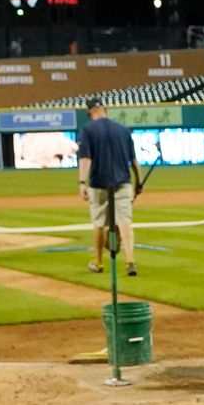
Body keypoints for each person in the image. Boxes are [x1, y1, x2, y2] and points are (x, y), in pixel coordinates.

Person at [76, 99, 139, 276]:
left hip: (98, 183)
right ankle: (130, 261)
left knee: (99, 223)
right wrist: (139, 183)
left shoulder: (87, 130)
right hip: (123, 181)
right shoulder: (123, 129)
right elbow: (134, 161)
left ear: (90, 113)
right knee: (125, 220)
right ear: (105, 109)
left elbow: (85, 159)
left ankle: (98, 262)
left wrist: (82, 182)